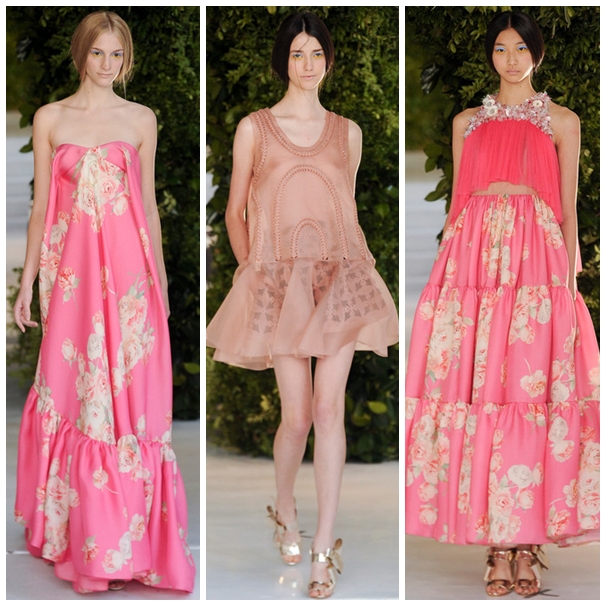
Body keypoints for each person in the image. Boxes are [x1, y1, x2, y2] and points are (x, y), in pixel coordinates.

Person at [405, 10, 599, 598]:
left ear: (537, 54)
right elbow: (458, 206)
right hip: (474, 263)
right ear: (490, 54)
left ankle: (528, 544)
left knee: (529, 392)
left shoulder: (562, 121)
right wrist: (446, 282)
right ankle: (497, 546)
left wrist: (566, 280)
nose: (511, 59)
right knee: (483, 392)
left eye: (521, 48)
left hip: (537, 262)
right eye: (501, 48)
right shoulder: (467, 122)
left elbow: (567, 206)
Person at [206, 11, 399, 599]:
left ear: (329, 61)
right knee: (296, 417)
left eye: (317, 53)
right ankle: (285, 505)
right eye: (297, 53)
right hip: (279, 284)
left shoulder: (349, 132)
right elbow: (235, 211)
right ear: (282, 61)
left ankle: (322, 552)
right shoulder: (255, 129)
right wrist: (252, 272)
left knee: (328, 409)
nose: (308, 64)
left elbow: (346, 209)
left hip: (341, 282)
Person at [12, 11, 195, 594]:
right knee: (77, 396)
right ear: (80, 54)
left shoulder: (141, 119)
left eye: (117, 54)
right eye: (98, 53)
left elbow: (148, 207)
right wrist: (25, 284)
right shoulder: (51, 118)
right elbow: (40, 209)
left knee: (128, 407)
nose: (107, 64)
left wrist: (160, 282)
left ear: (127, 59)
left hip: (130, 282)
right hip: (71, 283)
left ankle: (126, 546)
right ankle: (83, 538)